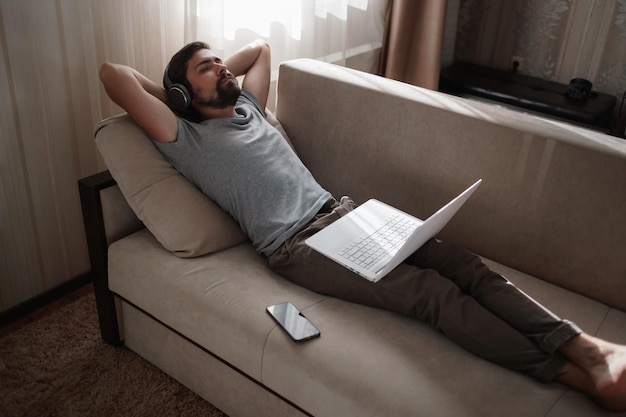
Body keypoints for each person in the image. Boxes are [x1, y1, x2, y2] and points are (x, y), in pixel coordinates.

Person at [99, 39, 626, 410]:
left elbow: (259, 48)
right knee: (431, 296)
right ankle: (569, 375)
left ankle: (583, 345)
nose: (224, 70)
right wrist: (176, 96)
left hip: (347, 213)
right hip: (297, 246)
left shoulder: (251, 109)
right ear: (182, 96)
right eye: (207, 68)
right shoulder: (184, 139)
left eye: (219, 61)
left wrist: (215, 70)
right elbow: (113, 76)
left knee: (465, 265)